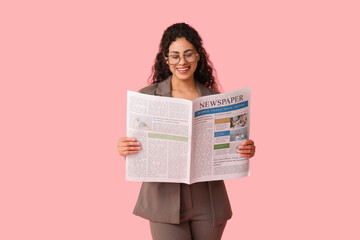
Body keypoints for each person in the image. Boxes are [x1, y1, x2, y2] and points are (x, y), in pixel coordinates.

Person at [117, 23, 256, 240]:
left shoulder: (213, 97)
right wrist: (125, 148)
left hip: (208, 199)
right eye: (175, 56)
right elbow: (140, 146)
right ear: (166, 59)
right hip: (164, 198)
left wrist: (244, 148)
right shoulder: (149, 96)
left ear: (198, 56)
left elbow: (226, 146)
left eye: (188, 54)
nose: (182, 62)